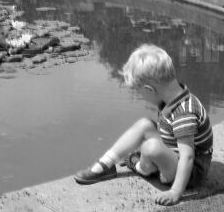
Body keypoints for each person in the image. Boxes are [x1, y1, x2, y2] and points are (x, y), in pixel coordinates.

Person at [74, 44, 213, 206]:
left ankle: (143, 167)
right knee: (144, 125)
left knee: (151, 147)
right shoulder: (174, 95)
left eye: (139, 93)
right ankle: (105, 165)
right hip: (174, 152)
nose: (141, 97)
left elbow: (188, 156)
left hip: (191, 172)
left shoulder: (184, 113)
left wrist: (175, 191)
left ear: (149, 89)